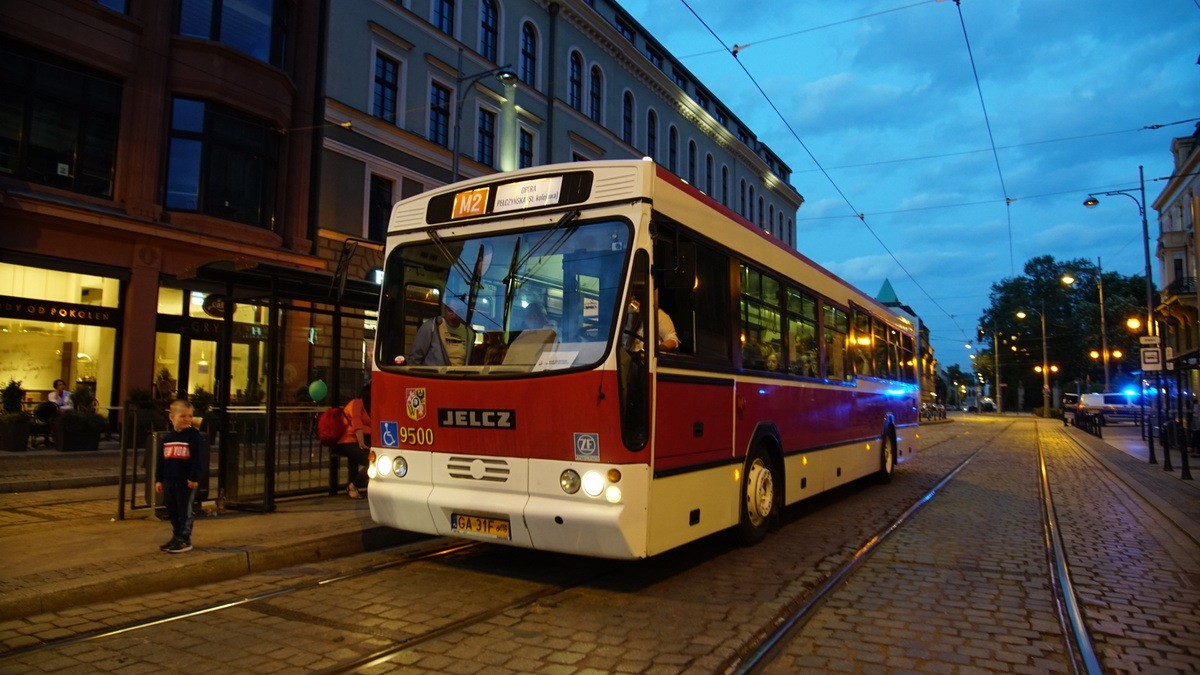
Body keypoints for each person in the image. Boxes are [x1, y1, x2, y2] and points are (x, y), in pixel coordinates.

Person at [154, 399, 206, 554]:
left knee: (184, 511)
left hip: (185, 481)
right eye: (183, 416)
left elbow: (198, 459)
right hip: (169, 481)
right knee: (172, 510)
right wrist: (159, 479)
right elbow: (161, 460)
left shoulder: (193, 437)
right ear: (172, 417)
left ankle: (184, 539)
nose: (187, 419)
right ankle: (176, 536)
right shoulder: (167, 438)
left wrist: (194, 478)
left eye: (190, 416)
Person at [408, 297, 475, 365]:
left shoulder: (468, 333)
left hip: (459, 372)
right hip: (435, 372)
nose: (454, 316)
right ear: (445, 310)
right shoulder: (431, 327)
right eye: (451, 310)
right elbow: (414, 359)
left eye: (458, 312)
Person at [333, 384, 371, 499]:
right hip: (347, 441)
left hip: (352, 441)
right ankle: (353, 486)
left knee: (367, 461)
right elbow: (357, 423)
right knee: (372, 463)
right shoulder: (357, 403)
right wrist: (361, 443)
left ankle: (353, 487)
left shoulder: (364, 406)